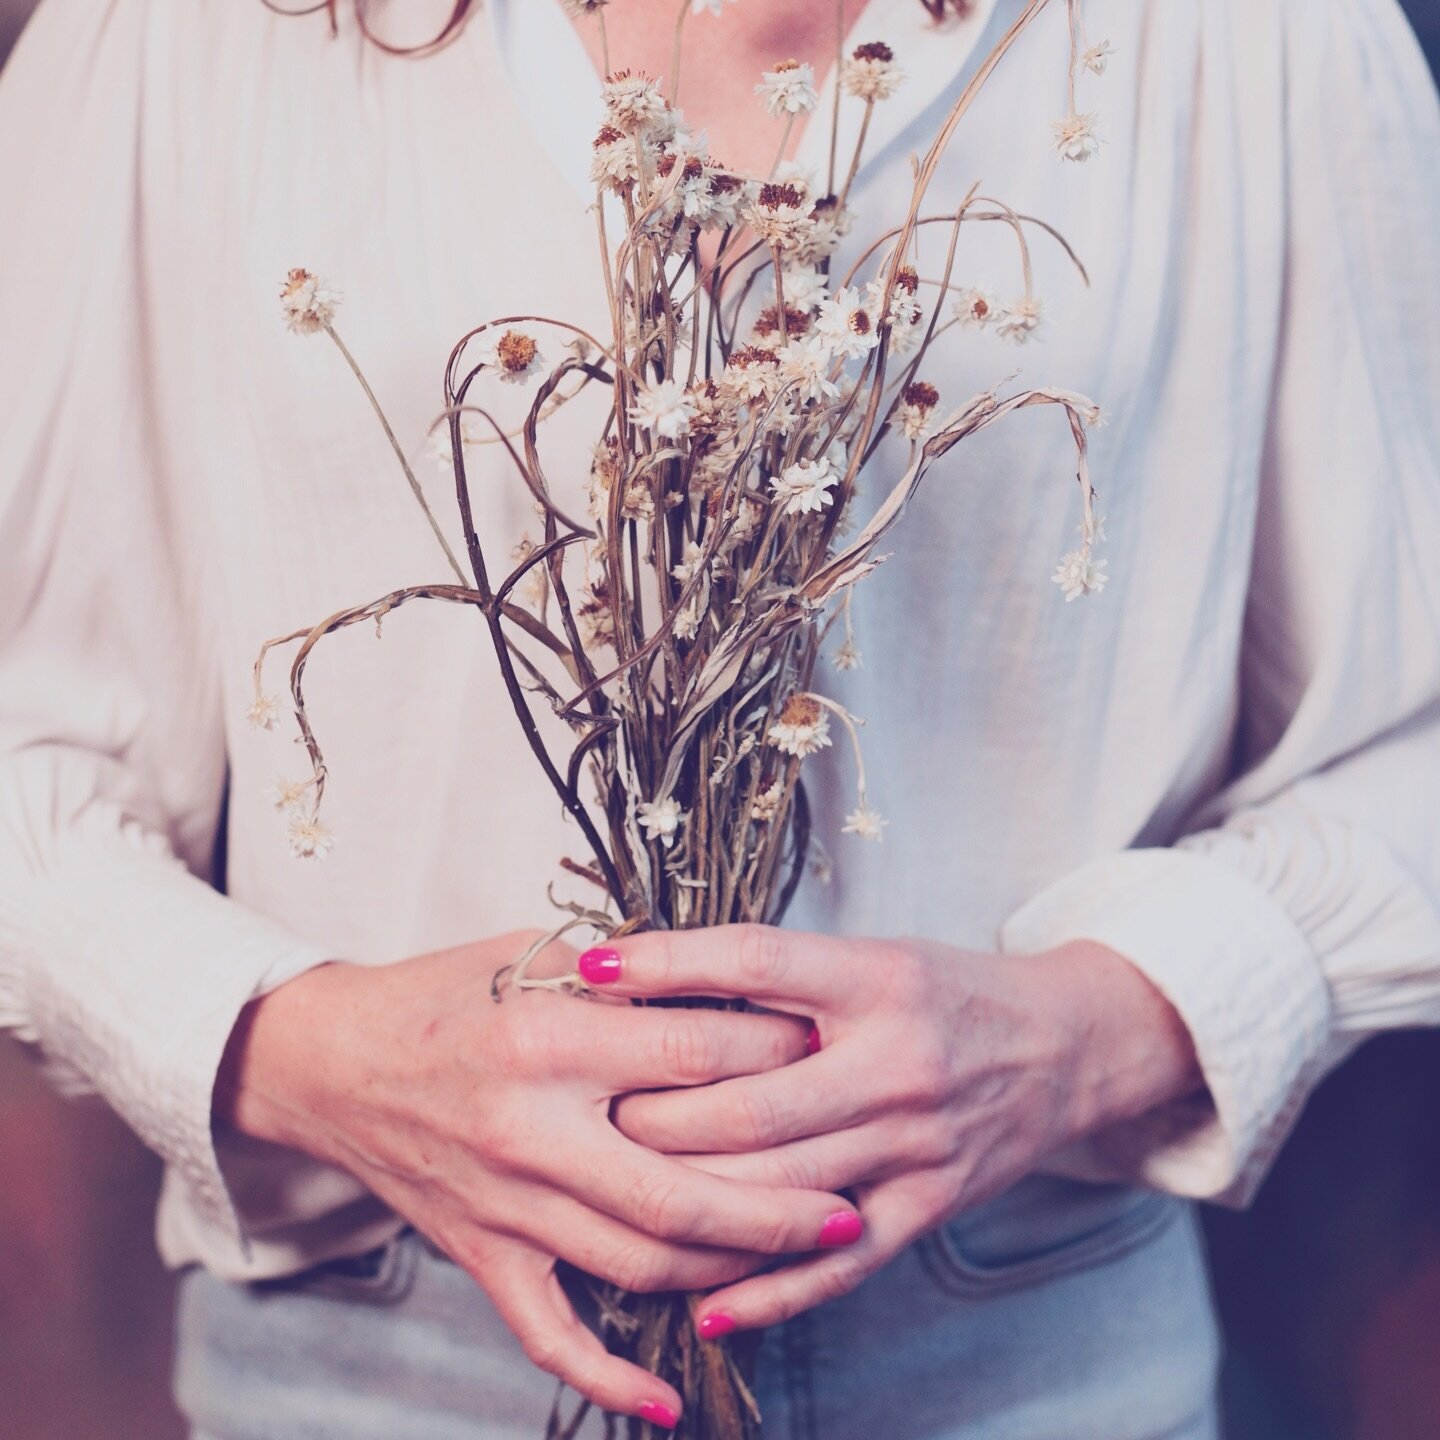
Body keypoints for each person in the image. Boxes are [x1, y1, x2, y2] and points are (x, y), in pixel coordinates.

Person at [3, 0, 1439, 1436]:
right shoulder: (183, 35)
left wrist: (1093, 1028)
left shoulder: (1259, 37)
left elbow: (1411, 741)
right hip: (377, 1351)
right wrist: (321, 1057)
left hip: (1023, 1343)